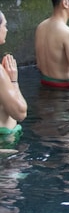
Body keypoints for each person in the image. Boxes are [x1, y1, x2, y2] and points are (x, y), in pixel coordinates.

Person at [0, 11, 28, 146]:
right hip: (5, 148)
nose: (6, 29)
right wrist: (13, 81)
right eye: (4, 25)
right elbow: (20, 113)